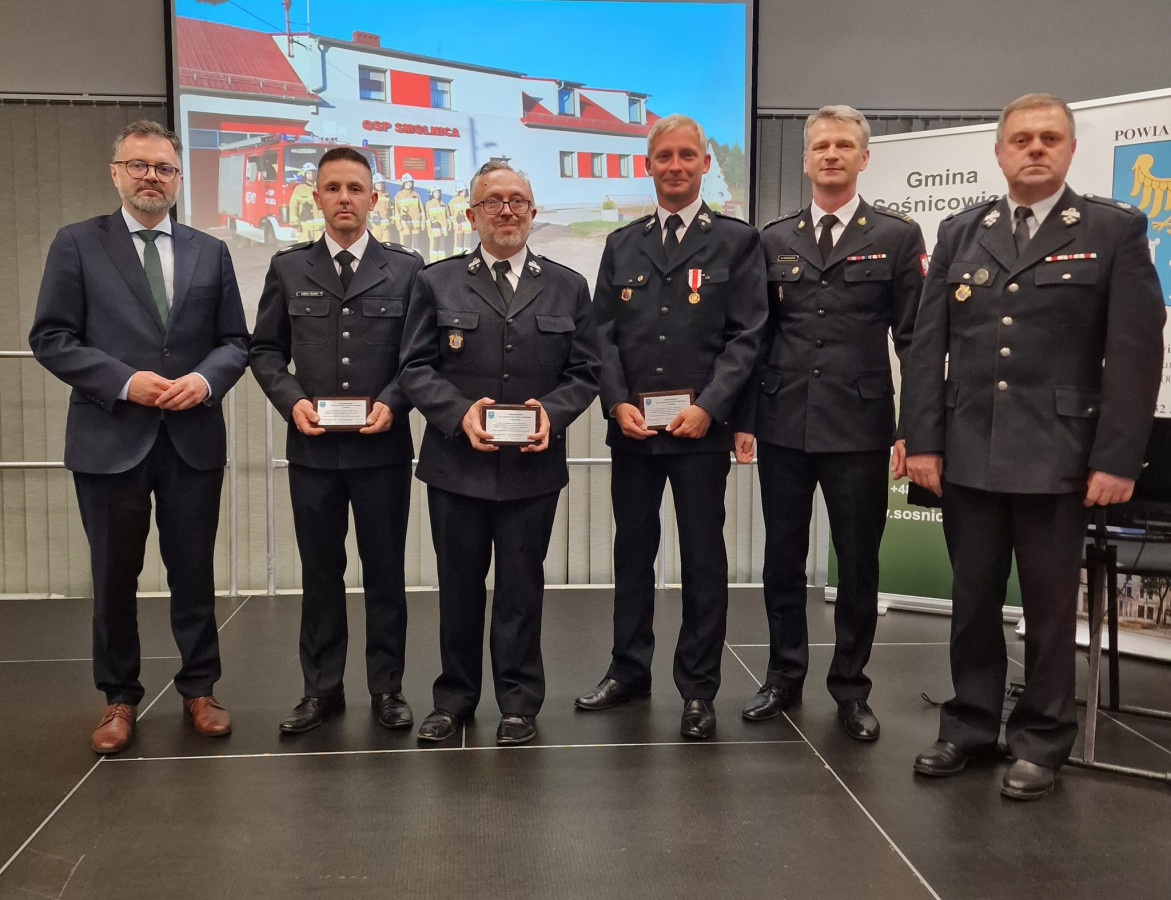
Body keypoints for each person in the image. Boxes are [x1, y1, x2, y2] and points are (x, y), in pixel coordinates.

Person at [901, 93, 1165, 799]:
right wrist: (922, 441)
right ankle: (968, 724)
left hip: (1059, 456)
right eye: (1021, 139)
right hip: (968, 451)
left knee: (1049, 611)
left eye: (1049, 137)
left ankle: (1041, 739)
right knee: (971, 601)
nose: (1035, 148)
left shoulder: (1113, 229)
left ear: (1070, 149)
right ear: (999, 152)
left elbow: (1136, 353)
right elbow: (927, 348)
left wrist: (1117, 457)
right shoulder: (961, 231)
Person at [28, 120, 249, 754]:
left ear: (179, 178)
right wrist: (127, 383)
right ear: (116, 173)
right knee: (113, 577)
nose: (152, 176)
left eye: (164, 168)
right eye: (139, 165)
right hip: (108, 439)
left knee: (193, 574)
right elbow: (52, 338)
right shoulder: (77, 243)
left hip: (191, 439)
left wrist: (203, 382)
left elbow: (235, 341)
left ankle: (200, 690)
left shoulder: (211, 251)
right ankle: (119, 697)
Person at [734, 106, 925, 741]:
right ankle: (784, 677)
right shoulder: (773, 239)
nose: (832, 154)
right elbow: (757, 337)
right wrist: (746, 418)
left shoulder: (897, 236)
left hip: (861, 428)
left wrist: (912, 429)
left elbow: (913, 339)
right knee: (782, 559)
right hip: (784, 423)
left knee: (858, 562)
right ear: (806, 159)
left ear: (864, 157)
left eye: (844, 145)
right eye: (821, 146)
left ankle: (850, 687)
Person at [574, 114, 767, 739]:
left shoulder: (737, 241)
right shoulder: (621, 244)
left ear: (706, 164)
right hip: (633, 429)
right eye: (664, 156)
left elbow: (748, 336)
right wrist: (614, 402)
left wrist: (710, 406)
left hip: (699, 430)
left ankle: (698, 687)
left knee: (703, 557)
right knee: (632, 551)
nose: (676, 166)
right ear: (648, 165)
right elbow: (601, 335)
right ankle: (628, 671)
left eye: (687, 155)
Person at [398, 160, 600, 746]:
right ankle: (454, 700)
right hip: (456, 467)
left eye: (517, 201)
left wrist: (552, 414)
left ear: (534, 212)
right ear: (471, 214)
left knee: (520, 591)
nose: (506, 210)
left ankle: (518, 702)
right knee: (458, 590)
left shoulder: (567, 285)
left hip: (532, 468)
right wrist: (458, 413)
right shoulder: (436, 282)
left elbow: (586, 371)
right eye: (493, 201)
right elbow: (414, 366)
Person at [250, 147, 424, 734]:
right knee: (320, 573)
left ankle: (387, 687)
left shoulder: (406, 269)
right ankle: (321, 689)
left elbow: (418, 358)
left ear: (374, 198)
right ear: (316, 197)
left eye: (355, 188)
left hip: (382, 451)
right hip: (314, 451)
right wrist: (291, 400)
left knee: (385, 572)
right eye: (333, 188)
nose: (344, 198)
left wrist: (394, 402)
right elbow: (265, 350)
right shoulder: (289, 268)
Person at [394, 173, 425, 255]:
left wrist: (423, 223)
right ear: (403, 183)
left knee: (417, 246)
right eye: (407, 182)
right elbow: (397, 211)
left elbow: (421, 211)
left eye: (410, 182)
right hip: (404, 226)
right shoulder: (399, 195)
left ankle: (418, 259)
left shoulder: (416, 195)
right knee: (406, 246)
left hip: (416, 226)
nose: (409, 184)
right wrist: (398, 224)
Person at [425, 187, 450, 262]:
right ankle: (433, 262)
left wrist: (449, 225)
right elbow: (427, 217)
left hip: (443, 229)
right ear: (432, 194)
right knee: (434, 246)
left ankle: (442, 262)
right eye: (436, 192)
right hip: (434, 229)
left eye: (439, 192)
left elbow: (447, 216)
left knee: (442, 247)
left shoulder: (443, 203)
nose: (438, 194)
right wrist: (429, 227)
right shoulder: (428, 204)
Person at [448, 184, 472, 254]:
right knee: (459, 241)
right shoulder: (453, 201)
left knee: (468, 242)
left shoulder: (469, 200)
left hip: (468, 225)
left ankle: (467, 255)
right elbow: (450, 214)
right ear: (459, 191)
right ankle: (458, 255)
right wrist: (455, 223)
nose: (465, 192)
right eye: (463, 191)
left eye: (465, 190)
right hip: (458, 225)